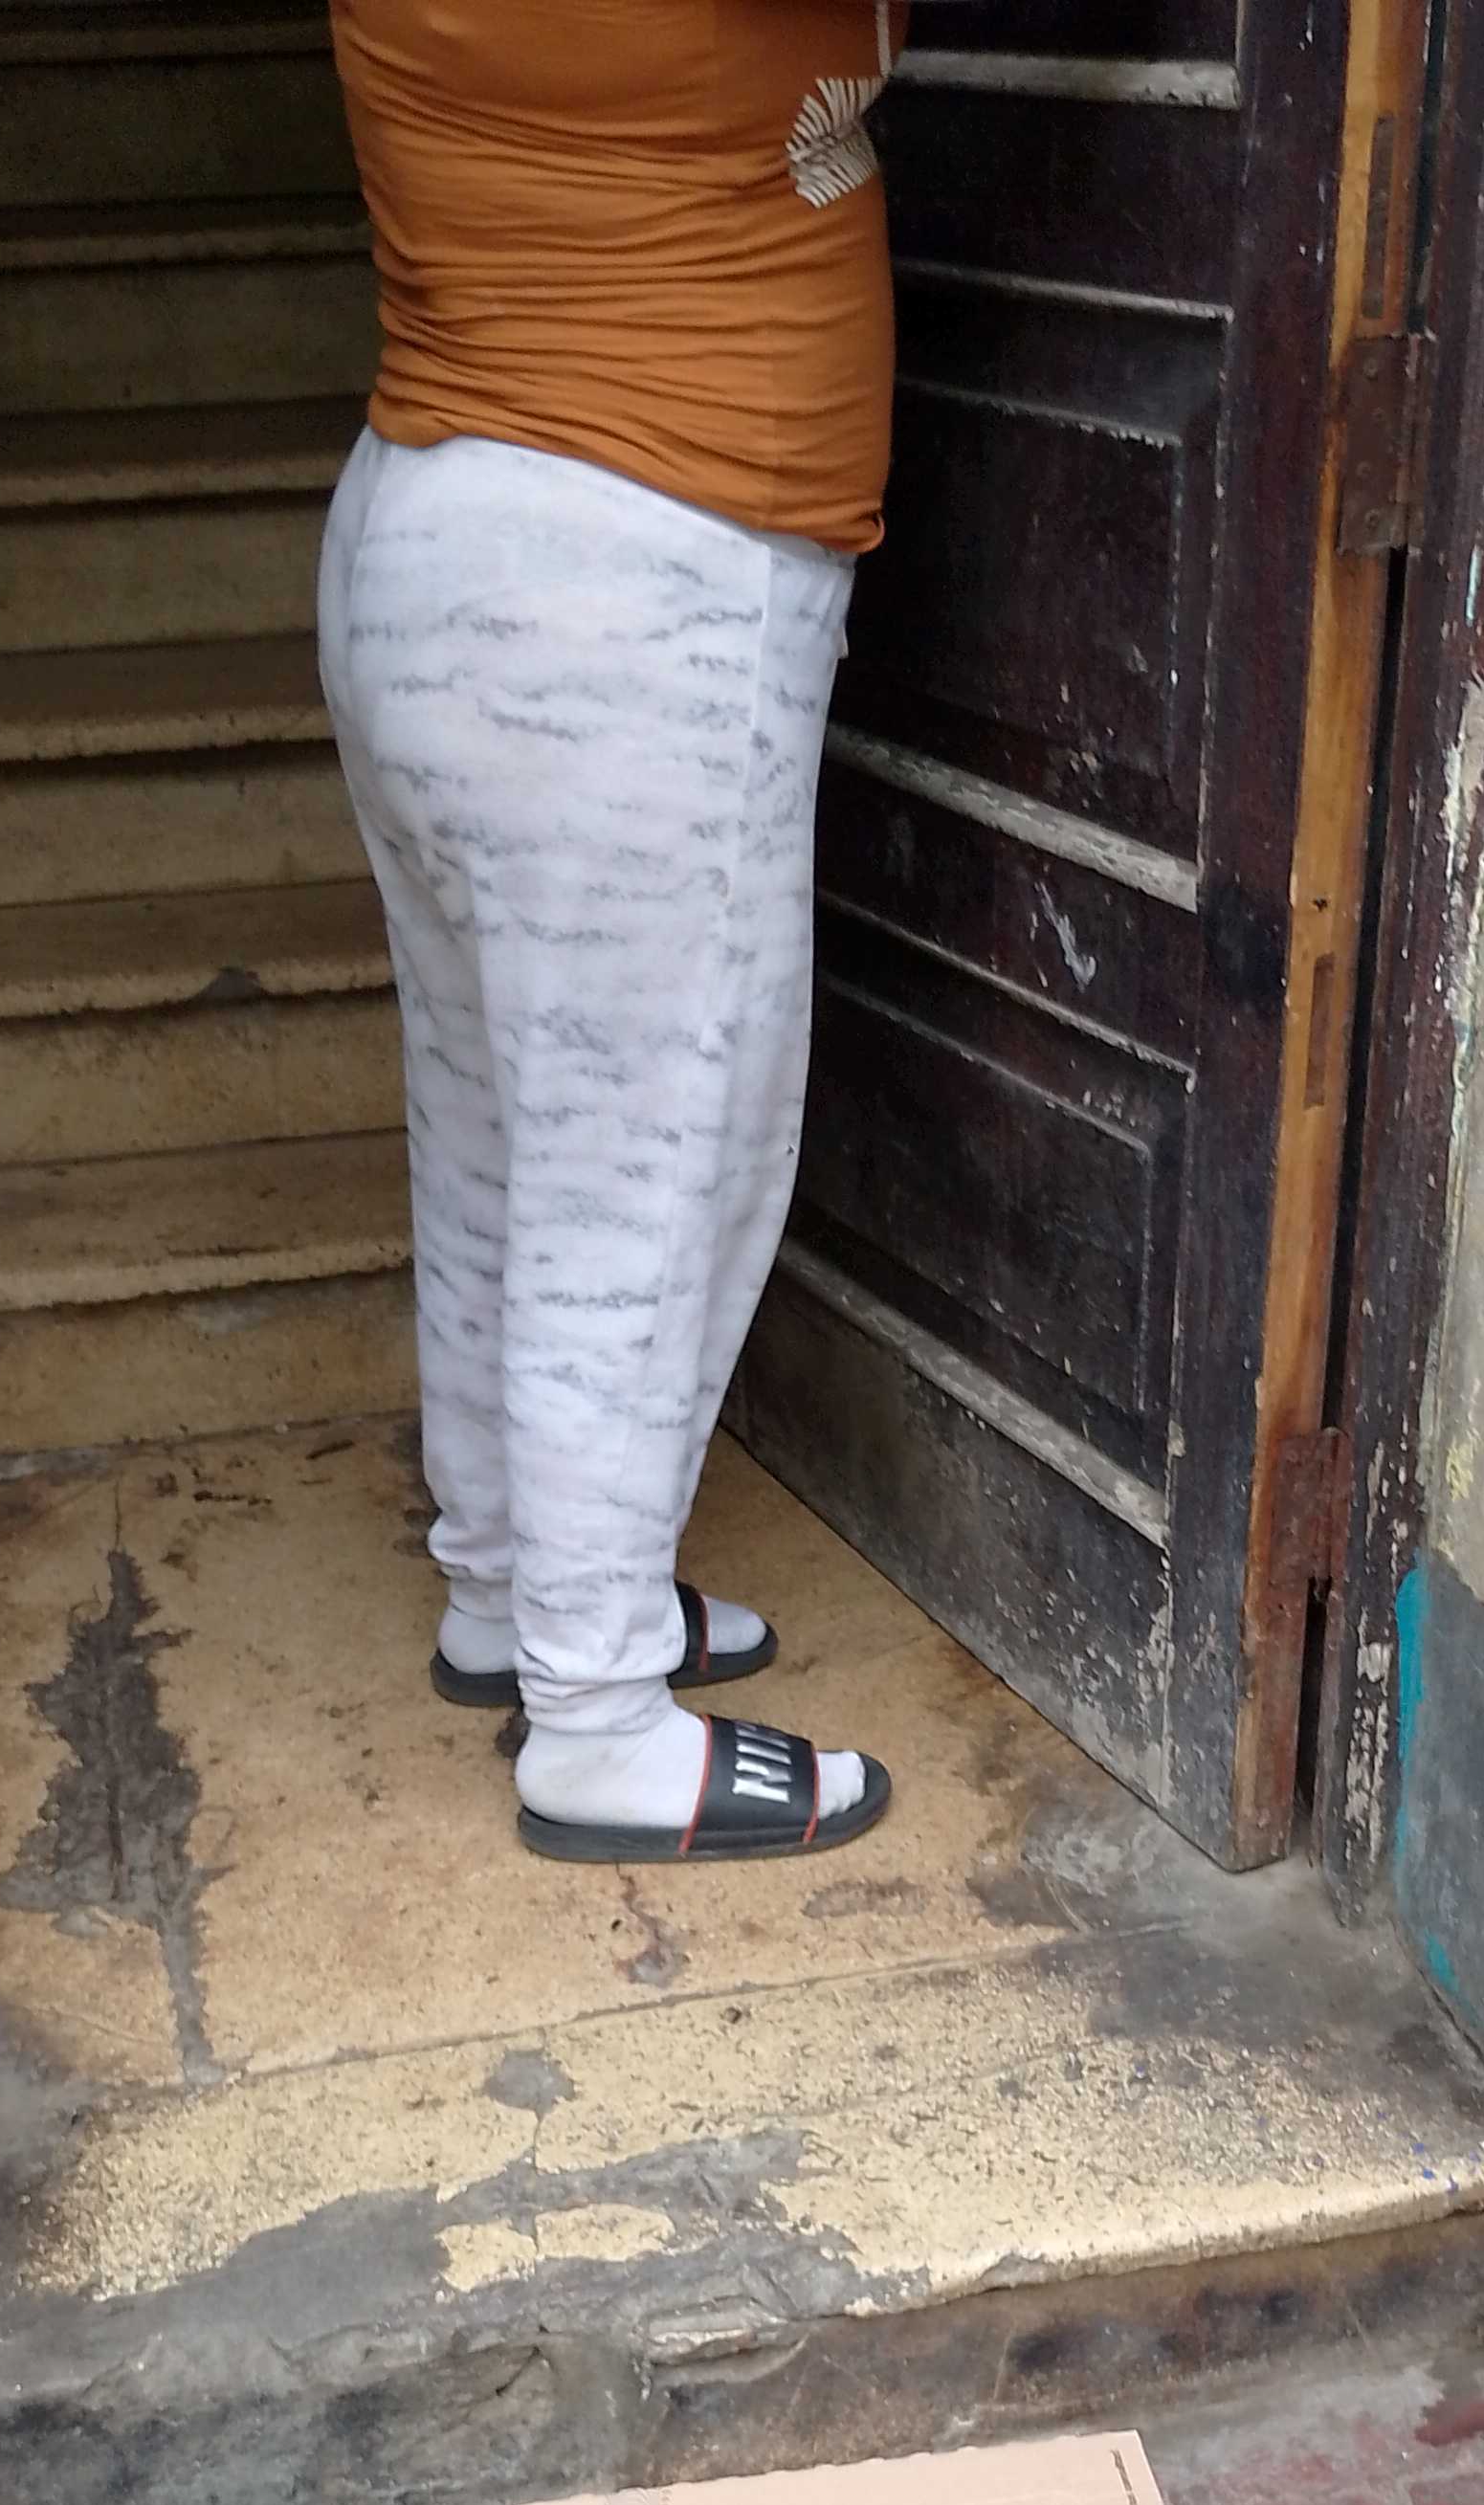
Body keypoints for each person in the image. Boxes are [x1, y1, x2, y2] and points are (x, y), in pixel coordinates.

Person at [320, 1, 905, 1863]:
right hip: (631, 566)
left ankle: (517, 1596)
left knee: (497, 1134)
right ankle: (593, 1719)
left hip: (446, 525)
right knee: (648, 1170)